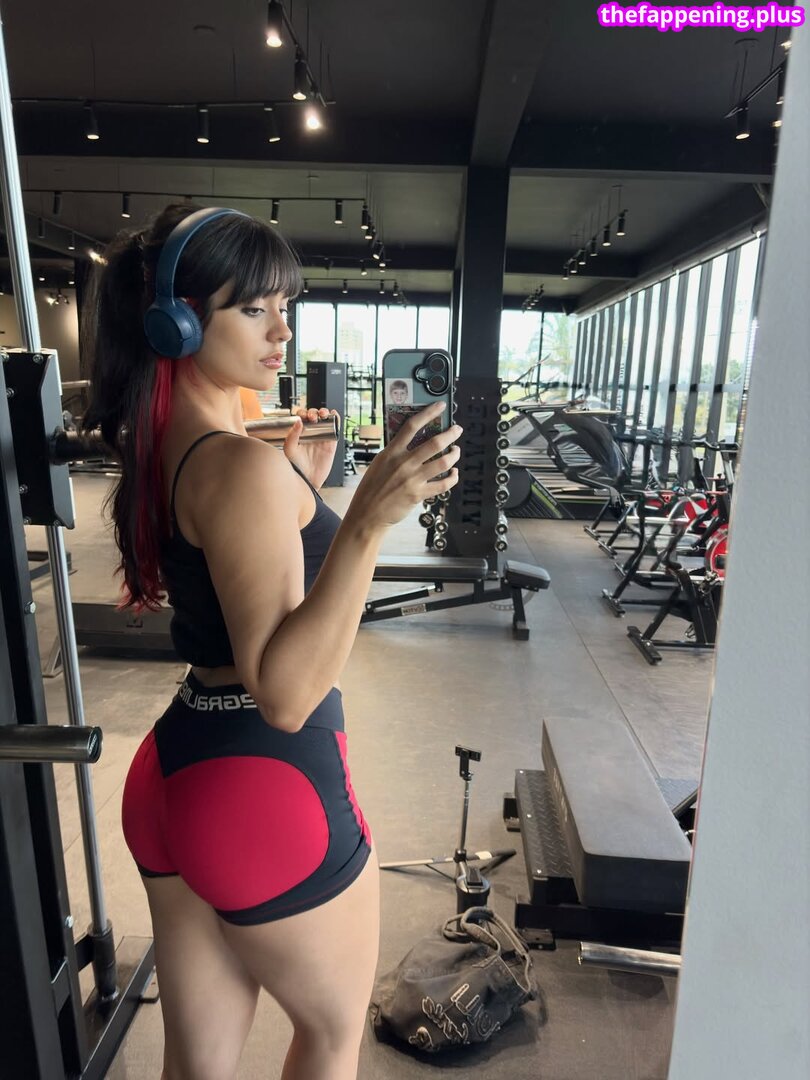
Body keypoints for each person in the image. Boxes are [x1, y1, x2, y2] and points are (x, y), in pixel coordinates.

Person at [81, 202, 461, 1080]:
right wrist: (363, 523)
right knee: (328, 1040)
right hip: (262, 785)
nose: (281, 331)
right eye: (253, 309)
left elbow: (228, 561)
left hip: (175, 774)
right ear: (177, 322)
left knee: (197, 1065)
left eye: (285, 306)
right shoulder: (239, 465)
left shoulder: (168, 443)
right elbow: (285, 695)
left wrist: (295, 494)